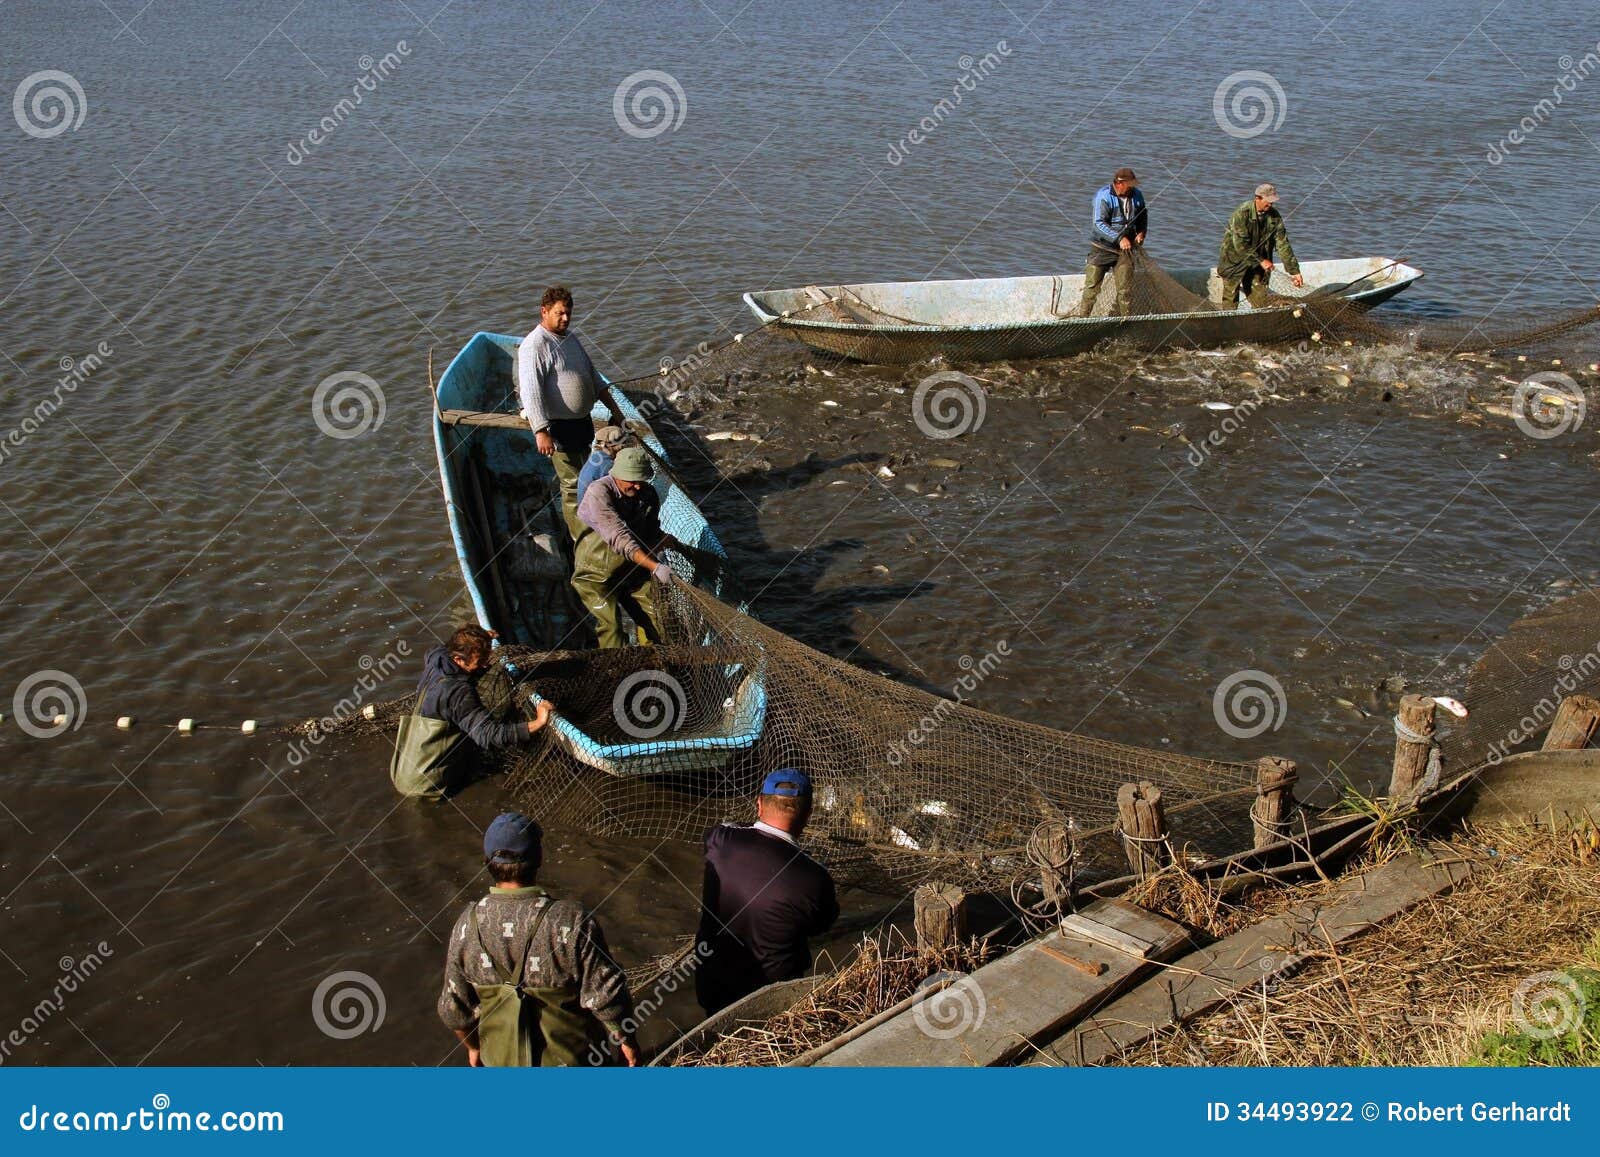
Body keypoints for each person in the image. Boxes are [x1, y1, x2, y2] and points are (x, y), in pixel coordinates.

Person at [438, 812, 639, 1066]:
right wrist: (628, 1042)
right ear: (538, 858)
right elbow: (608, 1000)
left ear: (488, 862)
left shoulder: (467, 925)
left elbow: (454, 1012)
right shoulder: (572, 920)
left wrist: (474, 1047)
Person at [694, 768, 839, 1017]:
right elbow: (821, 924)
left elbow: (726, 830)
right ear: (808, 815)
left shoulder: (720, 840)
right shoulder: (816, 878)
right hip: (773, 1000)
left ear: (759, 804)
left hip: (712, 986)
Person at [389, 625, 554, 799]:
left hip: (400, 769)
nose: (485, 665)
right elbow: (489, 736)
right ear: (458, 660)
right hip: (427, 784)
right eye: (479, 662)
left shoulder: (437, 656)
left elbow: (441, 648)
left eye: (485, 657)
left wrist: (481, 639)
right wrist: (538, 722)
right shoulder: (458, 694)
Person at [517, 286, 621, 542]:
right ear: (544, 311)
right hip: (558, 426)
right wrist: (541, 431)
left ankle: (592, 523)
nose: (565, 319)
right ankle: (581, 538)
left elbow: (593, 377)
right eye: (559, 313)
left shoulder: (570, 338)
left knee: (588, 477)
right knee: (572, 485)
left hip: (582, 424)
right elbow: (531, 391)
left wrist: (615, 409)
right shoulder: (535, 345)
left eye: (568, 314)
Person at [572, 445, 693, 649]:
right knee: (611, 628)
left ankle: (656, 662)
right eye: (632, 481)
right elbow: (620, 538)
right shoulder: (598, 492)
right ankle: (616, 672)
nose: (637, 487)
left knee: (659, 620)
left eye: (641, 481)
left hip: (632, 570)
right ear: (617, 474)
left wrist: (662, 540)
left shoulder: (647, 494)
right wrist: (655, 567)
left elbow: (650, 532)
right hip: (595, 575)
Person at [1070, 166, 1147, 318]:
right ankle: (1083, 318)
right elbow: (1098, 224)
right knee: (1092, 288)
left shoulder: (1137, 195)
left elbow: (1143, 215)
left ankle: (1125, 321)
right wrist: (1120, 238)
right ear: (1119, 183)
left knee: (1125, 291)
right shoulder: (1103, 196)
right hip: (1102, 249)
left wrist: (1142, 231)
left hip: (1125, 251)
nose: (1133, 188)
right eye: (1130, 185)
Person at [1218, 183, 1304, 309]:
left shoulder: (1274, 216)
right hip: (1234, 261)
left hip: (1258, 263)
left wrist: (1294, 271)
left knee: (1260, 300)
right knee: (1230, 301)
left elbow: (1283, 244)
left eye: (1272, 202)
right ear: (1257, 198)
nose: (1270, 205)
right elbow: (1241, 245)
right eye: (1268, 201)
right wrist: (1261, 260)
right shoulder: (1242, 213)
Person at [575, 424, 637, 505]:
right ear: (618, 447)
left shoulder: (595, 457)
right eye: (624, 444)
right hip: (594, 509)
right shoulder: (609, 465)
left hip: (584, 507)